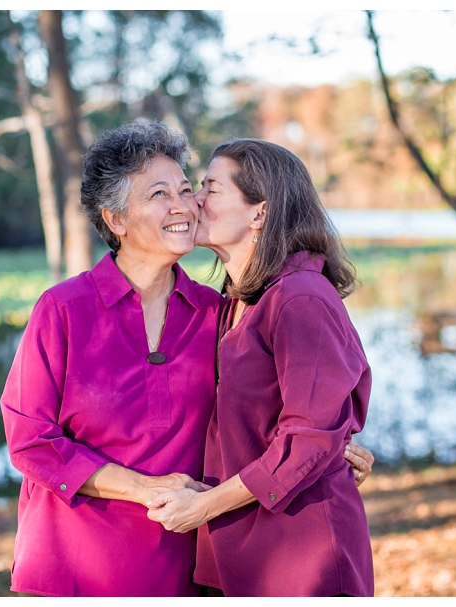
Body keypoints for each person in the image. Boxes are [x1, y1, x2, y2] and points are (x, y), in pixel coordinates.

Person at [0, 121, 374, 597]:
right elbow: (31, 440)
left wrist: (332, 448)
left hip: (184, 561)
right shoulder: (63, 309)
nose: (184, 204)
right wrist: (143, 488)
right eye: (159, 194)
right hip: (74, 562)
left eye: (186, 187)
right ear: (115, 219)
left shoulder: (217, 313)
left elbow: (283, 411)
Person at [147, 139, 374, 596]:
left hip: (301, 558)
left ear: (259, 212)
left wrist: (205, 505)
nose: (195, 201)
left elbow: (308, 437)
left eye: (211, 188)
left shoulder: (301, 298)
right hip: (243, 553)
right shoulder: (241, 301)